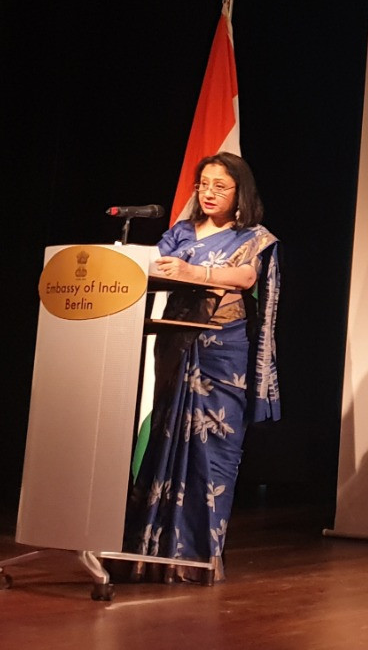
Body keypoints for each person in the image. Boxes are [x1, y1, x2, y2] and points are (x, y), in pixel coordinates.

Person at [125, 151, 280, 581]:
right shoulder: (180, 232)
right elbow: (150, 268)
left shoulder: (253, 237)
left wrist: (195, 274)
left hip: (222, 352)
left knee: (214, 451)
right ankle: (148, 554)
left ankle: (197, 559)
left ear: (240, 192)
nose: (209, 193)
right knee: (165, 440)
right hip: (176, 343)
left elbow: (245, 278)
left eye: (220, 186)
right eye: (204, 184)